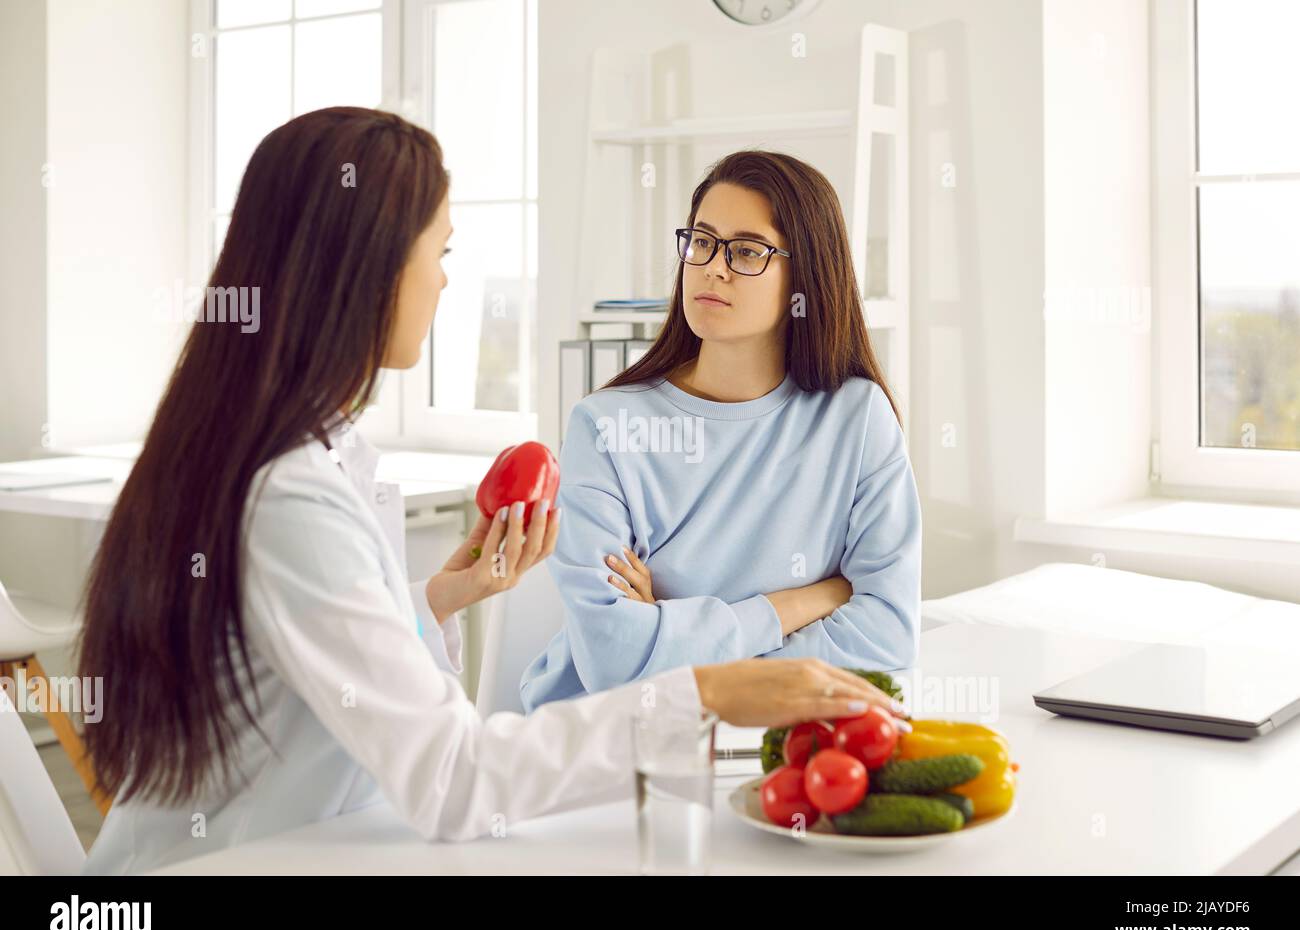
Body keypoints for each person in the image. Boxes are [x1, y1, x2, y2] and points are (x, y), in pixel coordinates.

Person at [76, 109, 904, 875]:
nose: (443, 283)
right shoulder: (289, 493)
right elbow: (455, 778)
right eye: (438, 253)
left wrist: (439, 596)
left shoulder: (302, 451)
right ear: (363, 271)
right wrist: (712, 687)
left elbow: (304, 648)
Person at [520, 150, 921, 712]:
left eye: (747, 251)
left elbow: (887, 632)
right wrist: (805, 601)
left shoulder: (856, 418)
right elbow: (612, 661)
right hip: (606, 744)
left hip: (768, 736)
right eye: (702, 241)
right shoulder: (606, 427)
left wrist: (667, 632)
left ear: (806, 275)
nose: (714, 266)